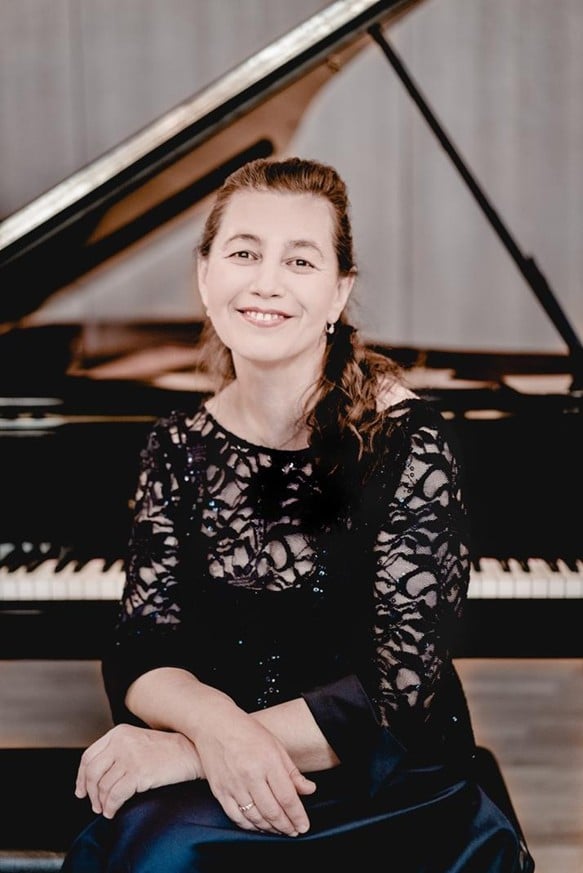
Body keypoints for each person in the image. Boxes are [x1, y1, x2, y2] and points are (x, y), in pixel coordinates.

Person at [61, 156, 534, 872]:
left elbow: (398, 689)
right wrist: (216, 732)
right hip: (223, 768)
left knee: (168, 851)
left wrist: (191, 748)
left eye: (300, 260)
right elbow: (139, 649)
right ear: (204, 274)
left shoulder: (407, 439)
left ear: (339, 291)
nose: (266, 281)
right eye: (243, 252)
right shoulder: (176, 444)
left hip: (384, 779)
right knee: (152, 851)